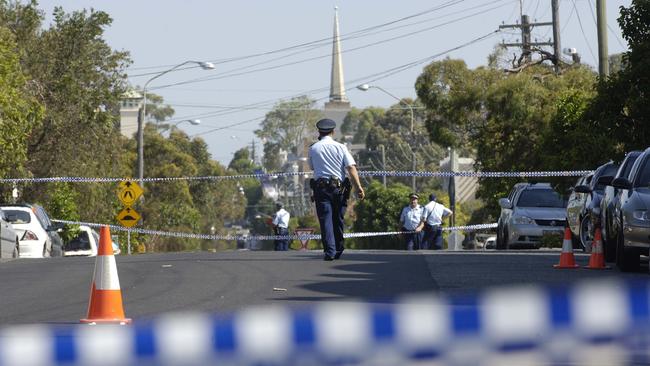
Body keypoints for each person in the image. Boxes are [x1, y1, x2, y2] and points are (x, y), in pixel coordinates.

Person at [309, 118, 365, 261]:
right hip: (338, 189)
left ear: (319, 132)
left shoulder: (313, 148)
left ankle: (330, 251)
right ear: (333, 131)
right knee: (338, 218)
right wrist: (359, 187)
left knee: (325, 219)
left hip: (321, 189)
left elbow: (312, 168)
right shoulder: (341, 147)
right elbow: (351, 167)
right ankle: (338, 247)